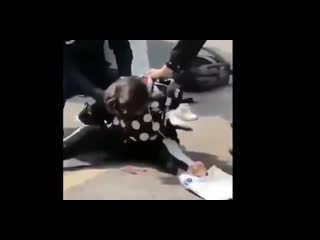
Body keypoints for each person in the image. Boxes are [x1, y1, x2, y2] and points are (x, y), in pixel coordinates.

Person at [63, 75, 207, 177]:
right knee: (88, 134)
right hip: (120, 141)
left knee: (170, 152)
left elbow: (179, 99)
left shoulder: (162, 94)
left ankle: (190, 170)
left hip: (153, 143)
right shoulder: (114, 94)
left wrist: (189, 164)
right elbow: (88, 117)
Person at [63, 40, 133, 108]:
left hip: (97, 69)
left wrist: (124, 79)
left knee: (132, 92)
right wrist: (91, 90)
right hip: (68, 74)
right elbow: (67, 66)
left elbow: (122, 48)